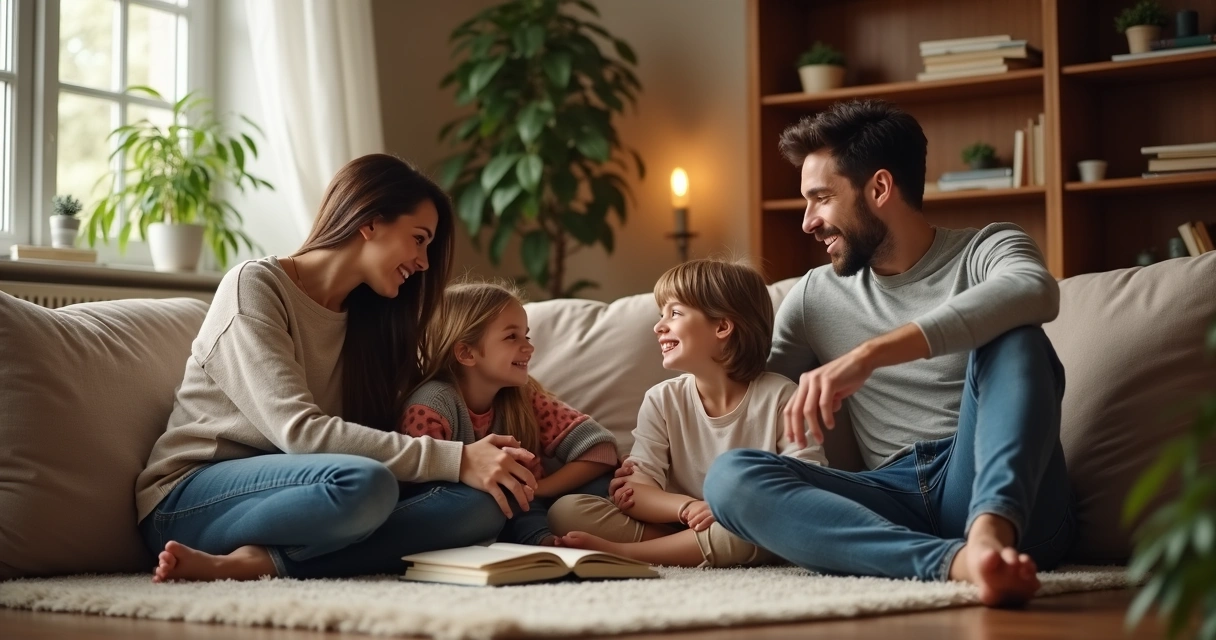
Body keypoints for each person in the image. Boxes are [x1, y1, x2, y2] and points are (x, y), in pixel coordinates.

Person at [702, 99, 1074, 606]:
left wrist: (872, 354)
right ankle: (956, 563)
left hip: (994, 485)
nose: (808, 221)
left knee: (1017, 335)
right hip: (892, 495)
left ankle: (989, 534)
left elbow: (1036, 291)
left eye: (820, 198)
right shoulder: (814, 296)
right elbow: (749, 393)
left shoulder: (989, 250)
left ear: (879, 188)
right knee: (730, 480)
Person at [136, 154, 538, 582]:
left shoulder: (372, 320)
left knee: (483, 505)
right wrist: (456, 460)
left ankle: (264, 562)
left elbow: (393, 435)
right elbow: (300, 432)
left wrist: (492, 460)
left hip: (316, 495)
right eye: (419, 239)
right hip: (190, 498)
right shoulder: (255, 286)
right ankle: (277, 556)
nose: (424, 262)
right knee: (364, 485)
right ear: (369, 222)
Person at [548, 259, 827, 567]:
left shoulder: (782, 396)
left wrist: (728, 510)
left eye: (675, 313)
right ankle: (686, 548)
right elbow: (637, 491)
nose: (658, 326)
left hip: (745, 525)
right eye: (660, 315)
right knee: (567, 511)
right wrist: (688, 508)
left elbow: (804, 484)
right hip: (677, 520)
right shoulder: (662, 400)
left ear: (722, 326)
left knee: (754, 527)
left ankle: (626, 553)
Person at [400, 281, 618, 546]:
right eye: (511, 337)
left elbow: (600, 451)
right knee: (483, 503)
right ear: (466, 352)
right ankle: (538, 539)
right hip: (470, 510)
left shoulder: (523, 397)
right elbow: (424, 493)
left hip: (530, 505)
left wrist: (536, 488)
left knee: (609, 484)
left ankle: (541, 538)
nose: (529, 347)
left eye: (525, 336)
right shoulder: (431, 406)